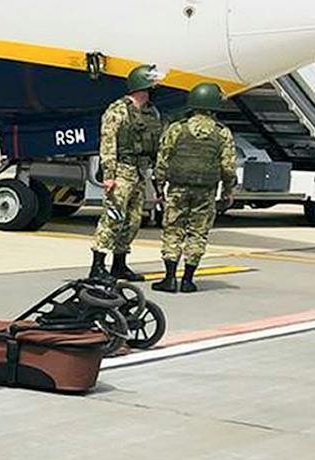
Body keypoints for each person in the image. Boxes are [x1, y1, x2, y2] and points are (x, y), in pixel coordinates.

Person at [154, 82, 236, 293]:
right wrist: (228, 190)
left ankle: (169, 278)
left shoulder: (177, 129)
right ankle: (188, 280)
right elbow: (228, 167)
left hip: (178, 188)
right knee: (198, 233)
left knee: (173, 230)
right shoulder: (222, 133)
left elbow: (162, 160)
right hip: (206, 190)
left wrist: (159, 186)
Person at [91, 65, 164, 282]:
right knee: (113, 217)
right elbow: (108, 143)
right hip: (122, 171)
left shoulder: (152, 112)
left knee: (132, 221)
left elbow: (156, 144)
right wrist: (109, 175)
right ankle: (97, 266)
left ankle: (119, 265)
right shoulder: (118, 110)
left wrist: (157, 179)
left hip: (140, 171)